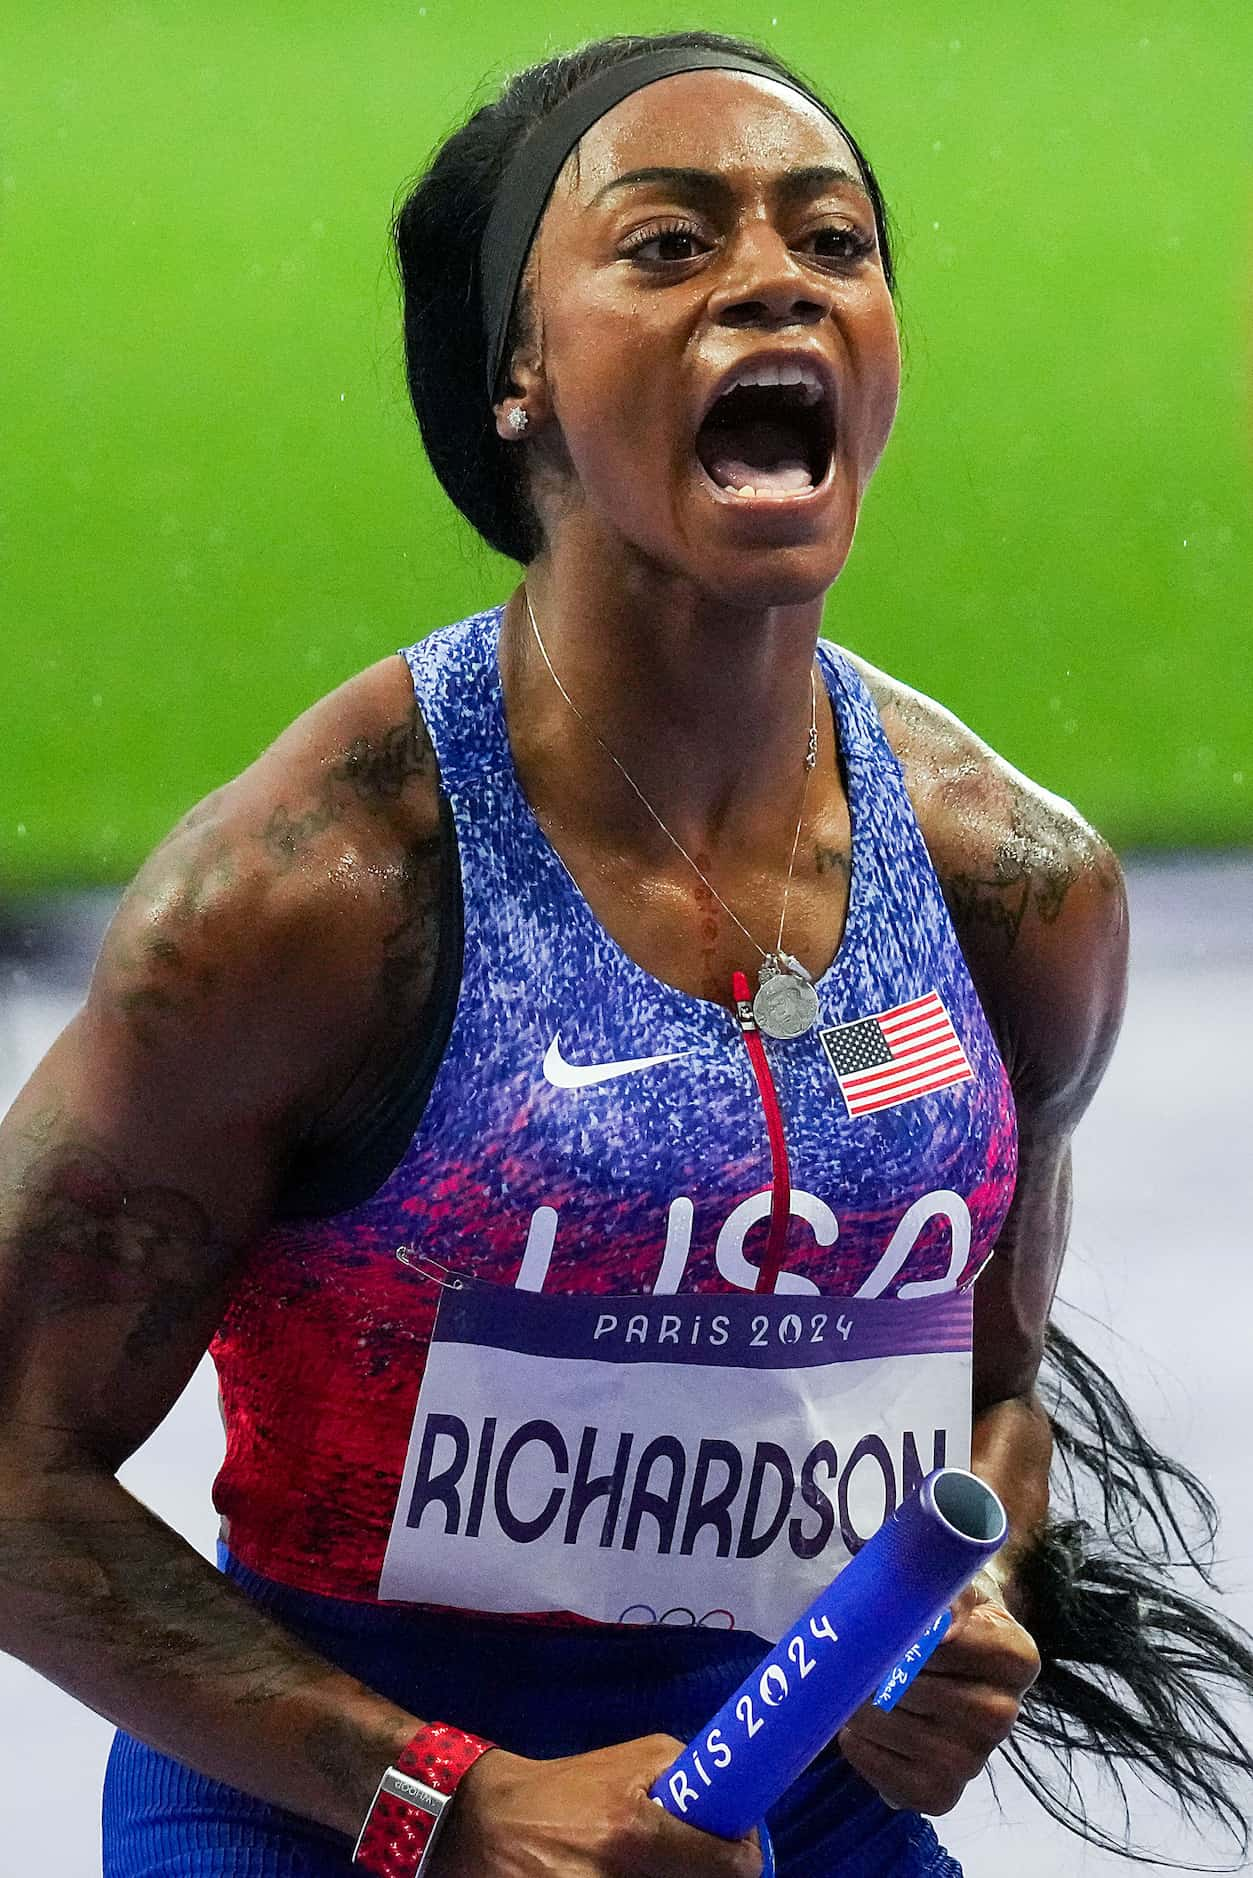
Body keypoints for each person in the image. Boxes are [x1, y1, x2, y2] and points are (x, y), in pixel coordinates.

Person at [0, 29, 1249, 1878]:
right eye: (667, 243)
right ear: (521, 374)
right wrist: (449, 1792)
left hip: (791, 1809)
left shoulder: (1014, 893)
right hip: (332, 1813)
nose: (775, 279)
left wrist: (959, 1597)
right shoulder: (314, 897)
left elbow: (990, 1391)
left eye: (834, 242)